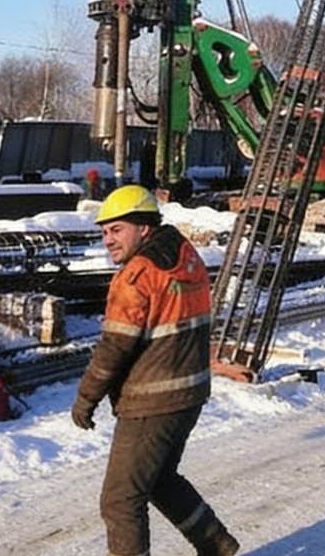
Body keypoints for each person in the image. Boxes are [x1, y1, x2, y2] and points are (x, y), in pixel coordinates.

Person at [72, 185, 239, 556]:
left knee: (120, 500)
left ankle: (218, 546)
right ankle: (217, 545)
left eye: (117, 230)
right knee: (161, 480)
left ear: (144, 227)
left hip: (152, 402)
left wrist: (86, 398)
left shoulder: (137, 274)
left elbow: (114, 346)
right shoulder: (185, 255)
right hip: (190, 392)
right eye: (104, 232)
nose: (108, 240)